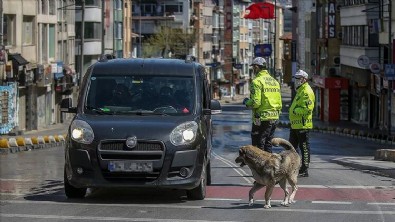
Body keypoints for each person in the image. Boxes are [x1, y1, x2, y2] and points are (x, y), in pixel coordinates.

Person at [243, 57, 282, 153]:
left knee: (258, 144)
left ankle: (261, 167)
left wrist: (247, 102)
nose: (253, 70)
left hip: (261, 118)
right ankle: (270, 165)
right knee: (268, 143)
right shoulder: (274, 82)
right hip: (274, 117)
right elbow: (279, 102)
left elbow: (256, 103)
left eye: (253, 68)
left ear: (257, 67)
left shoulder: (257, 81)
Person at [289, 70, 315, 177]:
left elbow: (308, 109)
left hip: (302, 125)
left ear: (304, 79)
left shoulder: (306, 91)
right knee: (292, 148)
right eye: (295, 78)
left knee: (304, 147)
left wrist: (295, 111)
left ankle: (304, 169)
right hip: (295, 124)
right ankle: (294, 167)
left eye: (298, 78)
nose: (296, 80)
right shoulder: (300, 90)